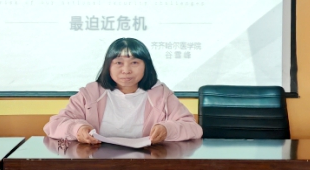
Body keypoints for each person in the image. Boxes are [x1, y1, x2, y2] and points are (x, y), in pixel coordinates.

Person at [43, 38, 202, 144]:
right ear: (108, 66)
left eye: (134, 63)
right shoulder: (91, 93)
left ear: (146, 66)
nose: (126, 70)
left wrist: (167, 130)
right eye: (118, 63)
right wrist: (77, 129)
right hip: (97, 162)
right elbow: (54, 124)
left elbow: (193, 128)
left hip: (146, 163)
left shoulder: (161, 94)